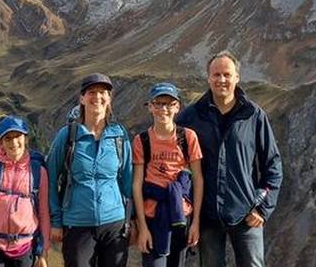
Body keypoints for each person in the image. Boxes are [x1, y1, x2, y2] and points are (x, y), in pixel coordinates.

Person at [176, 51, 283, 267]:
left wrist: (263, 208)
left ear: (237, 78)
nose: (221, 80)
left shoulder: (253, 115)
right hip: (207, 215)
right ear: (208, 78)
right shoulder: (192, 116)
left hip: (246, 213)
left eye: (227, 74)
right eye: (216, 75)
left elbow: (273, 165)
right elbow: (174, 162)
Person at [47, 73, 133, 267]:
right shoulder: (68, 135)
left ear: (109, 98)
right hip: (77, 223)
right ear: (82, 98)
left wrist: (131, 220)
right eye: (91, 92)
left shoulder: (119, 135)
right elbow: (51, 177)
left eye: (103, 92)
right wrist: (56, 220)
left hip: (115, 223)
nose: (97, 97)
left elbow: (128, 180)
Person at [133, 82, 204, 267]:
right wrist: (142, 228)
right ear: (150, 107)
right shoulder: (141, 140)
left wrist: (196, 222)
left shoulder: (188, 137)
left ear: (177, 107)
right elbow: (137, 184)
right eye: (158, 103)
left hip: (181, 218)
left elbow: (198, 179)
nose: (163, 109)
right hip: (152, 218)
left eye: (169, 104)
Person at [0, 116, 50, 267]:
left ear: (26, 139)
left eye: (18, 136)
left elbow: (44, 214)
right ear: (1, 142)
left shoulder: (38, 173)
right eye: (8, 138)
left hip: (25, 246)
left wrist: (43, 251)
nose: (14, 143)